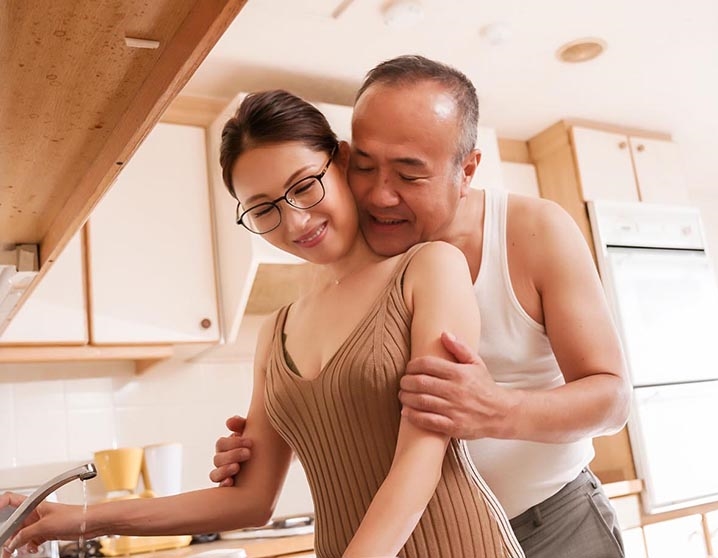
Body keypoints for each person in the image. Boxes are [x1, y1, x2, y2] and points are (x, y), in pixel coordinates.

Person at [1, 90, 524, 558]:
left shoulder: (429, 268)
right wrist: (82, 518)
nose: (295, 221)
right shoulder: (277, 332)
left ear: (341, 161)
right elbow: (249, 501)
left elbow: (421, 460)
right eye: (263, 209)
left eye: (305, 186)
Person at [211, 55, 632, 558]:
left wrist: (499, 411)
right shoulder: (342, 244)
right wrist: (290, 432)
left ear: (466, 170)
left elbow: (613, 399)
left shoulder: (532, 231)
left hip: (555, 524)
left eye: (409, 175)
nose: (380, 196)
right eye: (365, 166)